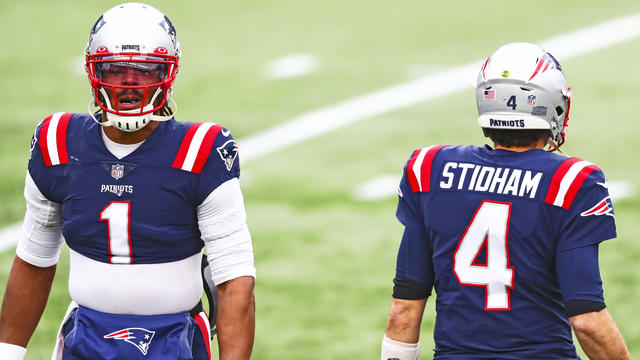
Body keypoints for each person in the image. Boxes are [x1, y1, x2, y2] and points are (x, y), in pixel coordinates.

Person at [0, 3, 255, 359]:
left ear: (169, 72)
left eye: (146, 70)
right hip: (85, 339)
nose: (130, 83)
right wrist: (8, 352)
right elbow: (34, 258)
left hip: (175, 338)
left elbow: (234, 279)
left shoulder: (202, 150)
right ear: (94, 70)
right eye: (116, 69)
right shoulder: (57, 142)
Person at [381, 42, 631, 359]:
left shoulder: (430, 168)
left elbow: (403, 310)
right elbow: (587, 321)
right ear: (552, 105)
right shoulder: (572, 181)